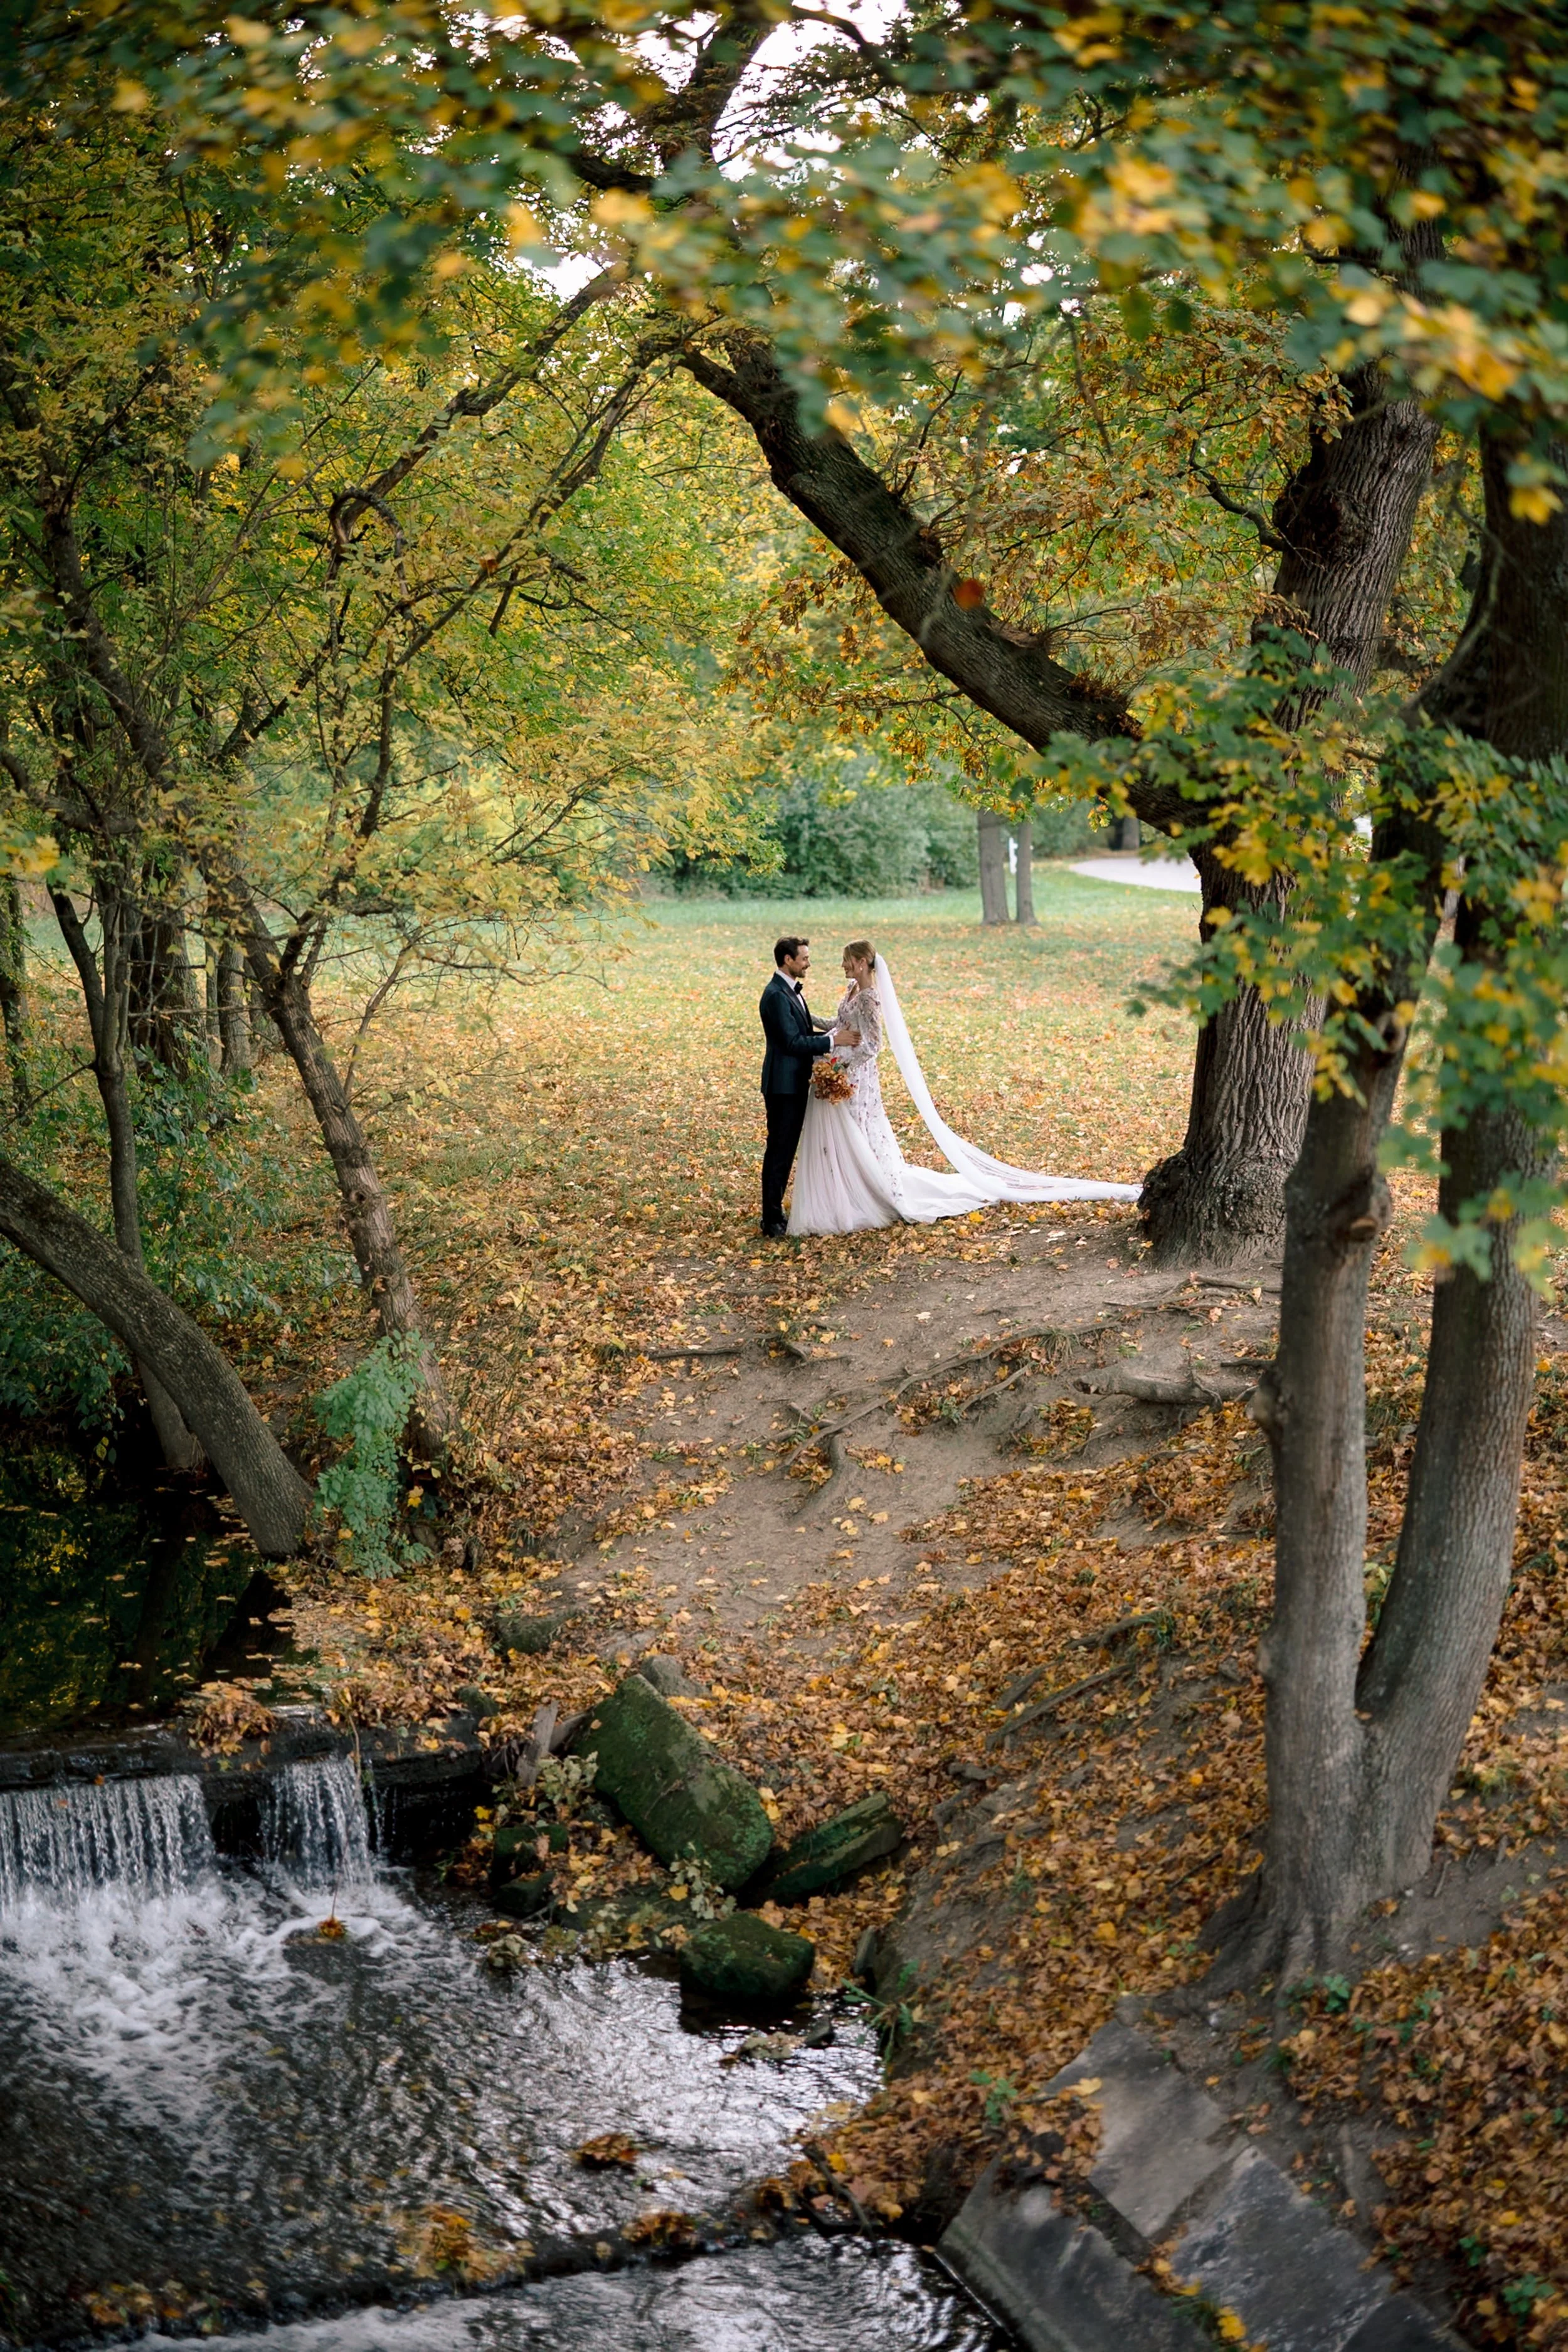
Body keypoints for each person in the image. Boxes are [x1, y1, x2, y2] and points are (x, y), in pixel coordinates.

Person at [787, 938, 1142, 1236]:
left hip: (858, 1076)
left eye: (847, 962)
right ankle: (849, 1188)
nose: (843, 967)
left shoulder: (870, 998)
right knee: (851, 1132)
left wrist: (840, 1063)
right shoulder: (852, 990)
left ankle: (869, 1190)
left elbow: (874, 1046)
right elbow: (840, 1022)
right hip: (843, 1069)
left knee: (862, 1129)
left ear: (863, 963)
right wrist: (807, 1018)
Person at [758, 936, 859, 1236]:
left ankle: (774, 1214)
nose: (808, 963)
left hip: (794, 1082)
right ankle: (772, 1219)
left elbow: (800, 1031)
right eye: (804, 958)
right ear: (788, 960)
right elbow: (791, 1043)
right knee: (779, 1150)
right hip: (783, 1086)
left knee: (785, 1149)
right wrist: (832, 1041)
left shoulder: (790, 991)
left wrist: (834, 1034)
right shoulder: (776, 995)